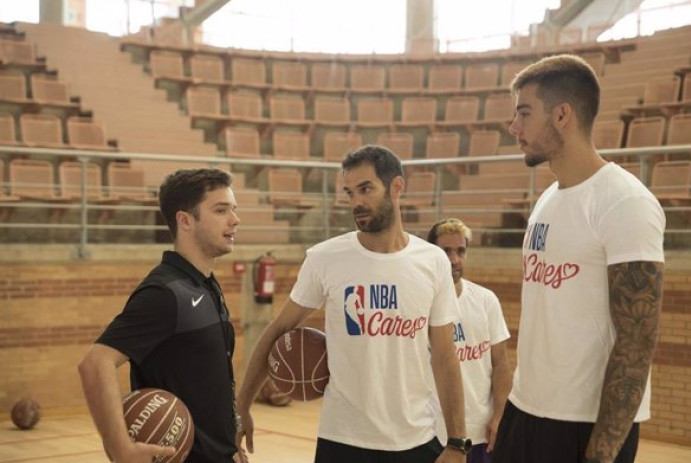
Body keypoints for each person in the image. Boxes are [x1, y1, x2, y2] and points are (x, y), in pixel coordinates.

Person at [236, 145, 470, 463]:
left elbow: (445, 357)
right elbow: (279, 329)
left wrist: (457, 442)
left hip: (415, 438)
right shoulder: (325, 258)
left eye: (366, 189)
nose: (356, 202)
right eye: (349, 193)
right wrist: (242, 407)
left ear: (396, 187)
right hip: (342, 439)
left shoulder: (432, 262)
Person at [491, 54, 666, 463]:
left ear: (562, 115)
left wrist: (601, 454)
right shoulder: (548, 199)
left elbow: (637, 341)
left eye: (524, 113)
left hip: (582, 427)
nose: (513, 127)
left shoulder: (625, 202)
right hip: (526, 409)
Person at [78, 168, 246, 463]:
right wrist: (119, 448)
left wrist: (229, 442)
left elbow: (209, 383)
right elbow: (95, 364)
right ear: (185, 220)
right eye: (221, 210)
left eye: (234, 209)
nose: (235, 219)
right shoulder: (164, 293)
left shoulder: (207, 285)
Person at [427, 218, 512, 463]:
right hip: (433, 435)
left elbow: (501, 365)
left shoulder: (486, 300)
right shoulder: (420, 304)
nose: (454, 260)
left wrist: (498, 416)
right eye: (446, 252)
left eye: (460, 251)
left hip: (480, 433)